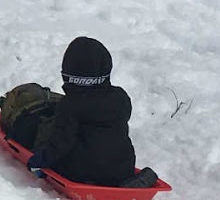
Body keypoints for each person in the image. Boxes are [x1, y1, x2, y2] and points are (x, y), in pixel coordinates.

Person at [14, 36, 138, 187]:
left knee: (42, 134)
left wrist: (39, 161)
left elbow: (61, 143)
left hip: (82, 172)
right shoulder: (121, 97)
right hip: (123, 169)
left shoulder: (70, 105)